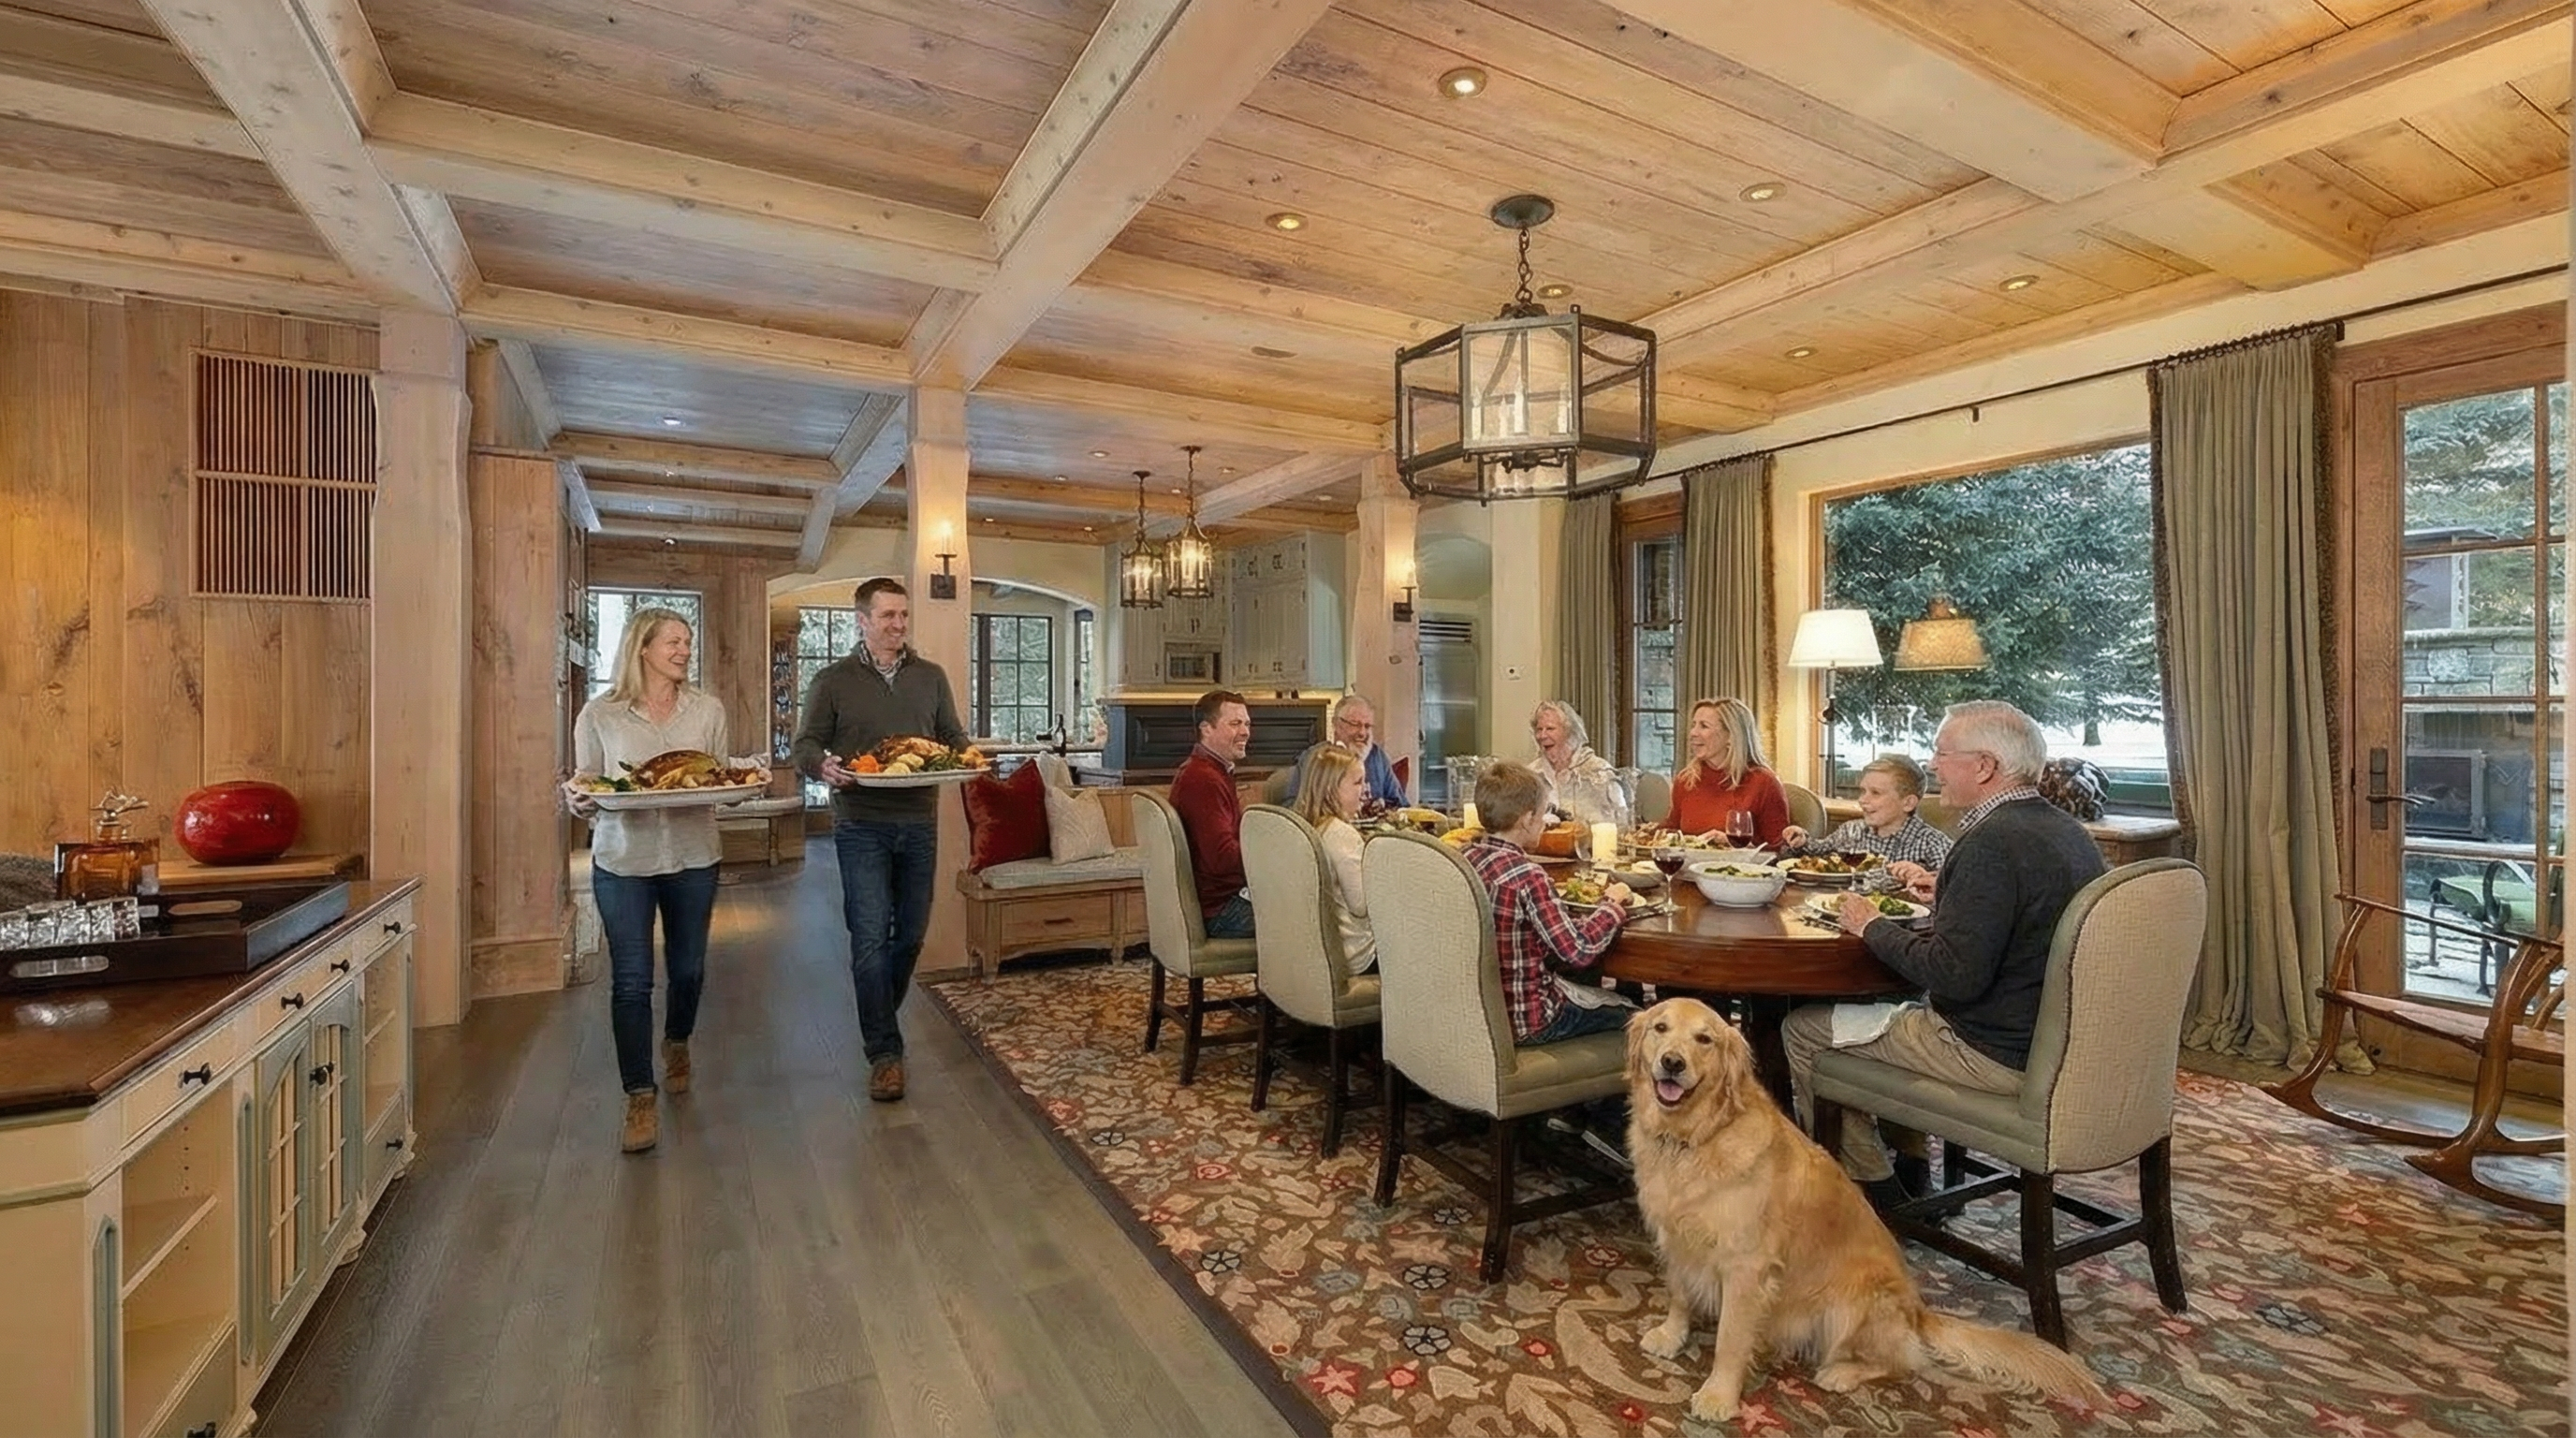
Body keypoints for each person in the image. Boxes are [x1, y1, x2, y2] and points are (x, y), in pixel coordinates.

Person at [1780, 701, 2106, 1211]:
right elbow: (2024, 921)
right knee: (1881, 1015)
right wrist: (1951, 896)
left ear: (1984, 767)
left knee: (1802, 1030)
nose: (1933, 765)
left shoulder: (1989, 842)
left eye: (1941, 752)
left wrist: (1871, 924)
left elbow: (1953, 977)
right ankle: (1911, 1166)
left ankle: (1873, 1194)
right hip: (2057, 1040)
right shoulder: (2064, 830)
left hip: (1991, 1049)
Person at [791, 578, 969, 1104]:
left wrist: (968, 755)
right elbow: (806, 744)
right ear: (862, 621)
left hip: (919, 819)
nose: (898, 625)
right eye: (887, 616)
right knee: (869, 936)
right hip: (860, 821)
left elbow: (952, 737)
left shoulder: (930, 677)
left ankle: (876, 1013)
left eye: (903, 616)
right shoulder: (833, 680)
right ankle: (884, 1052)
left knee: (910, 935)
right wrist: (820, 766)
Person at [564, 608, 730, 1154]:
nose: (684, 650)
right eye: (673, 642)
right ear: (642, 649)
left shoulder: (707, 710)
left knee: (689, 970)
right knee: (631, 980)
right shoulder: (600, 714)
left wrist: (731, 788)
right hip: (623, 863)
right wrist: (577, 798)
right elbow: (588, 788)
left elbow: (719, 779)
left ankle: (677, 1038)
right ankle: (639, 1094)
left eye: (687, 641)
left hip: (693, 856)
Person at [1459, 761, 1635, 1047]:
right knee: (1636, 1014)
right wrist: (1612, 904)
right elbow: (1579, 951)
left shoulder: (1465, 858)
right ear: (1527, 819)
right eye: (1542, 815)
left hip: (1480, 1014)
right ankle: (1600, 1091)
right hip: (1530, 1020)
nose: (1543, 822)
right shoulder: (1528, 876)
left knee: (1587, 989)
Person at [1171, 689, 1257, 939]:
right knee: (1311, 918)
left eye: (1247, 724)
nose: (1245, 731)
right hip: (1221, 911)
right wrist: (1269, 853)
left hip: (1221, 900)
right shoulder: (1204, 780)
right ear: (1206, 729)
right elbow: (1221, 859)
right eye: (1235, 723)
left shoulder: (1209, 771)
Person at [1778, 754, 1954, 873]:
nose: (1863, 800)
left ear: (1908, 803)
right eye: (1863, 791)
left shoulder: (1933, 845)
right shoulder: (1850, 831)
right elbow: (1815, 851)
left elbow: (1953, 894)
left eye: (1875, 793)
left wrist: (1926, 879)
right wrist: (1800, 840)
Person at [1291, 744, 1376, 974]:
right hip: (1357, 955)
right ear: (1331, 788)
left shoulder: (1303, 827)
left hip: (1318, 948)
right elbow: (1361, 906)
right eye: (1358, 783)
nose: (1365, 790)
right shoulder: (1342, 835)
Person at [1664, 697, 1789, 846]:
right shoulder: (1686, 779)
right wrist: (1645, 834)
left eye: (1704, 726)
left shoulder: (1764, 783)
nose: (1693, 733)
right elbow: (1671, 830)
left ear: (1731, 736)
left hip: (1742, 868)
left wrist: (1737, 846)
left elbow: (1781, 849)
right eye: (1694, 725)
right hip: (1688, 867)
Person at [1281, 693, 1404, 812]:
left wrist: (1382, 804)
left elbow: (1400, 804)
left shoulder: (1378, 757)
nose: (1362, 733)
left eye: (1367, 726)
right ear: (1336, 724)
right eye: (1355, 724)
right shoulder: (1316, 758)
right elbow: (1293, 806)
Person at [1529, 698, 1628, 828]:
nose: (1542, 736)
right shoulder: (1531, 776)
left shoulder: (1599, 772)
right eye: (1539, 729)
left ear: (1569, 732)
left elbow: (1621, 823)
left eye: (1550, 729)